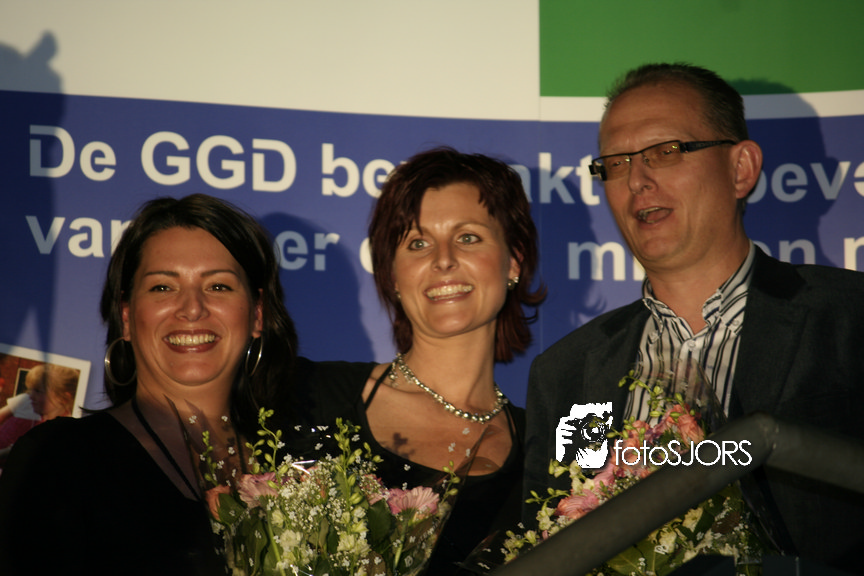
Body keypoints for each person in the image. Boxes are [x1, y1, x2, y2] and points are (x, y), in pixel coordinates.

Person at [524, 63, 864, 573]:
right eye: (615, 163)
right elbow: (550, 547)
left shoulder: (848, 318)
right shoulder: (568, 374)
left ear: (740, 169)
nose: (637, 180)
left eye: (666, 151)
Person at [0, 194, 298, 575]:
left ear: (258, 314)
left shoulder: (299, 468)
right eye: (162, 287)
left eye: (218, 286)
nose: (192, 308)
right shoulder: (58, 460)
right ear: (126, 316)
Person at [286, 147, 544, 575]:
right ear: (393, 274)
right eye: (418, 243)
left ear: (513, 261)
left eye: (468, 237)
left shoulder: (547, 453)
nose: (443, 260)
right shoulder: (309, 393)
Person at [0, 364, 78, 465]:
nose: (30, 395)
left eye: (38, 391)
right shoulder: (26, 401)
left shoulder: (64, 430)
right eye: (30, 389)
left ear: (63, 398)